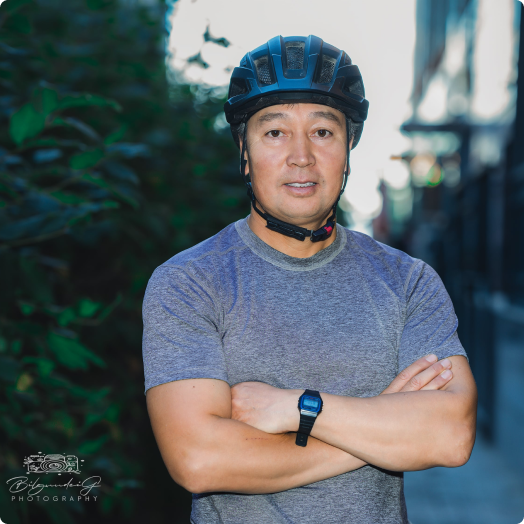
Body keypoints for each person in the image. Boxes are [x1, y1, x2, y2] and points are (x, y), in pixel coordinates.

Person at [142, 35, 477, 524]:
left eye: (323, 132)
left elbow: (450, 436)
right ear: (245, 151)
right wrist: (381, 426)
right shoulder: (189, 282)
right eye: (275, 132)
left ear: (348, 149)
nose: (301, 155)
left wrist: (297, 407)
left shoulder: (408, 281)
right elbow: (199, 459)